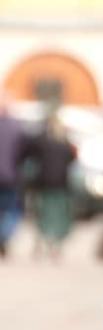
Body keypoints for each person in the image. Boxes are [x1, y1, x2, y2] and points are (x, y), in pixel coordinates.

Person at [24, 113, 78, 256]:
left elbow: (30, 152)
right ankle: (55, 245)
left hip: (44, 184)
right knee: (59, 215)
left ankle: (42, 242)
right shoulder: (65, 144)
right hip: (60, 184)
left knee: (43, 214)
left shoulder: (42, 142)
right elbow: (73, 159)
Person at [0, 97, 30, 256]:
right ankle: (4, 235)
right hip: (11, 177)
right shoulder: (17, 128)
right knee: (12, 210)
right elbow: (24, 153)